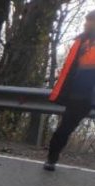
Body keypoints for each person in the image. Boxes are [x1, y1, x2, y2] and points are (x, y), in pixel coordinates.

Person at [45, 10, 95, 171]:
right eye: (86, 20)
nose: (86, 24)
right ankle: (51, 159)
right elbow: (70, 69)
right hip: (79, 96)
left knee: (64, 128)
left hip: (88, 94)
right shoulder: (81, 42)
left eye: (90, 21)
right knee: (64, 129)